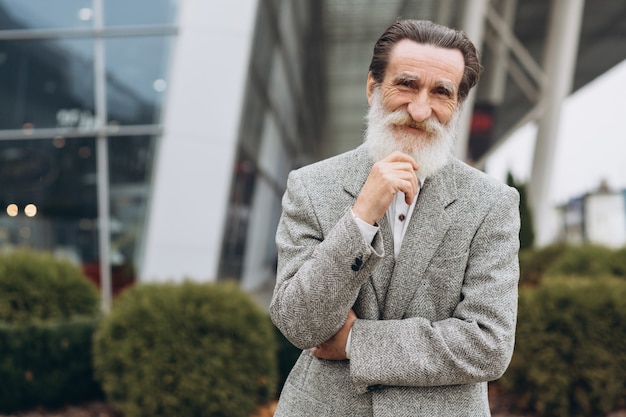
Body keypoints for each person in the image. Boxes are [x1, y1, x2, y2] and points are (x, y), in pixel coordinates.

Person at [269, 19, 520, 417]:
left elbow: (488, 345)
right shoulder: (311, 186)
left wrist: (355, 341)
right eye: (406, 84)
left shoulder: (492, 203)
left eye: (441, 92)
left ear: (457, 104)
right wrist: (361, 217)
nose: (420, 110)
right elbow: (300, 324)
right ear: (372, 88)